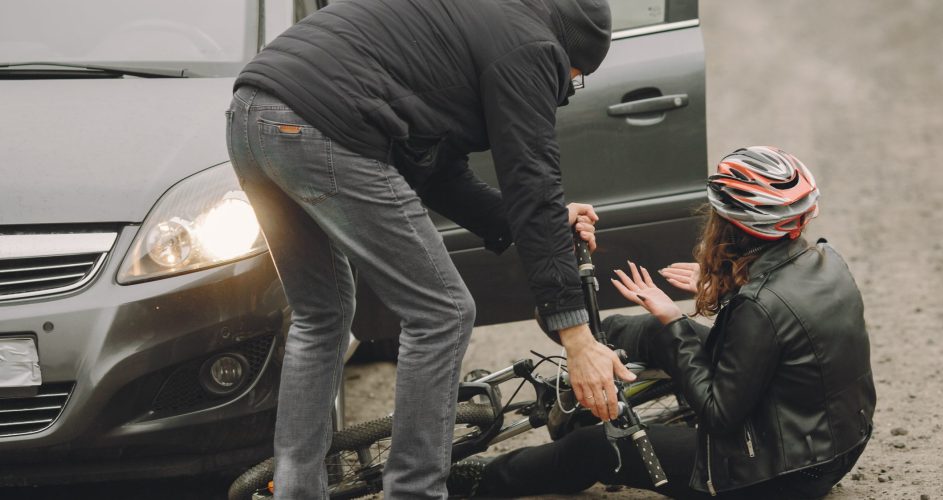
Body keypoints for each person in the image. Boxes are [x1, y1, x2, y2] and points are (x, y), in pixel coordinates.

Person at [224, 0, 634, 498]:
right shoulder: (533, 47)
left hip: (251, 116)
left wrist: (530, 220)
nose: (566, 90)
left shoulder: (474, 21)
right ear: (571, 52)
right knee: (442, 313)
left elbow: (439, 170)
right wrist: (578, 337)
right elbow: (533, 180)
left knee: (323, 313)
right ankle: (415, 492)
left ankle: (296, 491)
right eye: (574, 78)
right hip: (322, 125)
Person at [449, 146, 877, 499]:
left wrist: (674, 318)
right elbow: (785, 333)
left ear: (732, 227)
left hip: (773, 476)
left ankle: (481, 480)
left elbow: (718, 414)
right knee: (657, 333)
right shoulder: (826, 261)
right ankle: (586, 344)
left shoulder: (758, 308)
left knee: (595, 447)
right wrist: (725, 290)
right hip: (835, 443)